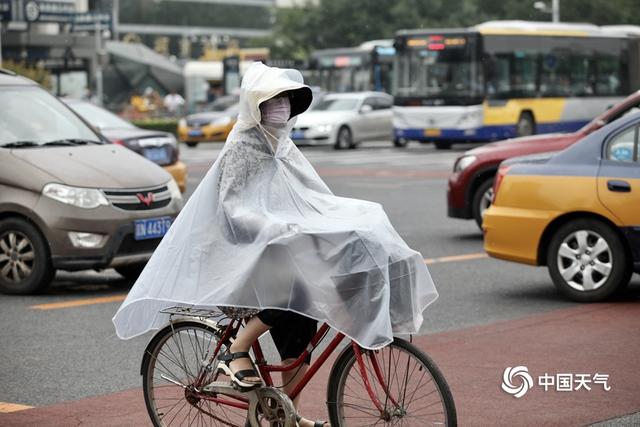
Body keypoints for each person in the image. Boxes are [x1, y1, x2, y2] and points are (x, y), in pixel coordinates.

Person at [113, 62, 438, 427]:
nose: (281, 105)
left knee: (300, 337)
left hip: (279, 250)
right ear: (256, 104)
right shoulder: (242, 143)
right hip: (240, 254)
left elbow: (312, 196)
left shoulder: (281, 143)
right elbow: (233, 207)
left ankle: (289, 415)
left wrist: (338, 221)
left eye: (285, 98)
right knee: (292, 294)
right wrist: (276, 226)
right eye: (273, 99)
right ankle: (235, 350)